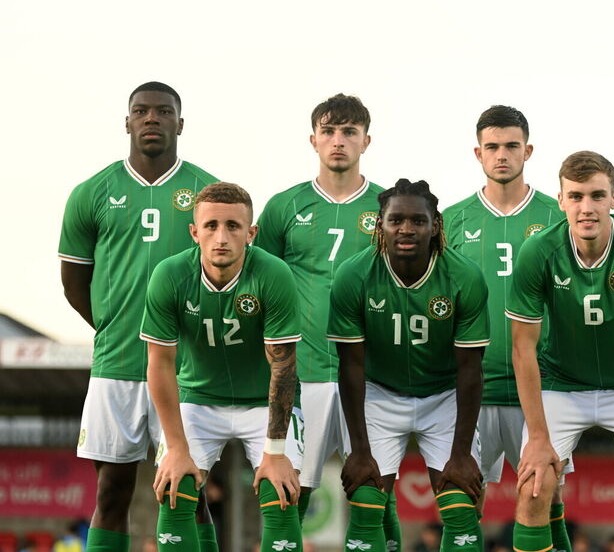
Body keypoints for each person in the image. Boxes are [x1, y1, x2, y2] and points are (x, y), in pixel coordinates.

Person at [59, 82, 218, 552]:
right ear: (127, 122)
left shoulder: (207, 192)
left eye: (163, 111)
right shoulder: (92, 192)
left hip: (187, 370)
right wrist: (115, 326)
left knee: (187, 493)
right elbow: (74, 283)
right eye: (142, 111)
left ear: (180, 124)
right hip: (117, 365)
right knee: (110, 492)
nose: (152, 118)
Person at [506, 152, 614, 552]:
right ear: (561, 201)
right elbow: (522, 347)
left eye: (597, 195)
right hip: (562, 384)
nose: (586, 207)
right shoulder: (538, 251)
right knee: (534, 486)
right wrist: (538, 437)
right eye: (576, 196)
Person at [142, 182, 304, 552]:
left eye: (233, 226)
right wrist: (177, 448)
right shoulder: (169, 275)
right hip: (198, 398)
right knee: (174, 489)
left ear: (251, 233)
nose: (221, 237)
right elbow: (160, 364)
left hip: (263, 402)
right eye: (211, 225)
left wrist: (275, 452)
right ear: (194, 232)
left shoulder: (273, 274)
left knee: (280, 494)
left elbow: (283, 366)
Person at [330, 179, 488, 552]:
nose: (406, 229)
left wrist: (462, 453)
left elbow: (470, 370)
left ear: (435, 225)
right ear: (379, 225)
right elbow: (350, 367)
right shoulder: (354, 275)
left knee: (460, 502)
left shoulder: (464, 276)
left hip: (444, 395)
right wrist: (360, 450)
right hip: (379, 393)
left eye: (418, 221)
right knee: (366, 499)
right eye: (396, 220)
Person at [442, 105, 572, 551]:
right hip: (470, 387)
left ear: (527, 151)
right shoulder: (452, 220)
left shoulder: (558, 215)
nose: (502, 155)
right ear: (478, 153)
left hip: (541, 387)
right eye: (493, 146)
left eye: (512, 146)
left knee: (545, 500)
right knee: (459, 502)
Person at [255, 93, 385, 528]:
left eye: (349, 132)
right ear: (313, 140)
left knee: (375, 492)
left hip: (370, 377)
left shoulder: (389, 209)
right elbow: (259, 287)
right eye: (328, 131)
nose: (338, 141)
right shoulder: (284, 206)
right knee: (290, 492)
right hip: (301, 374)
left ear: (366, 140)